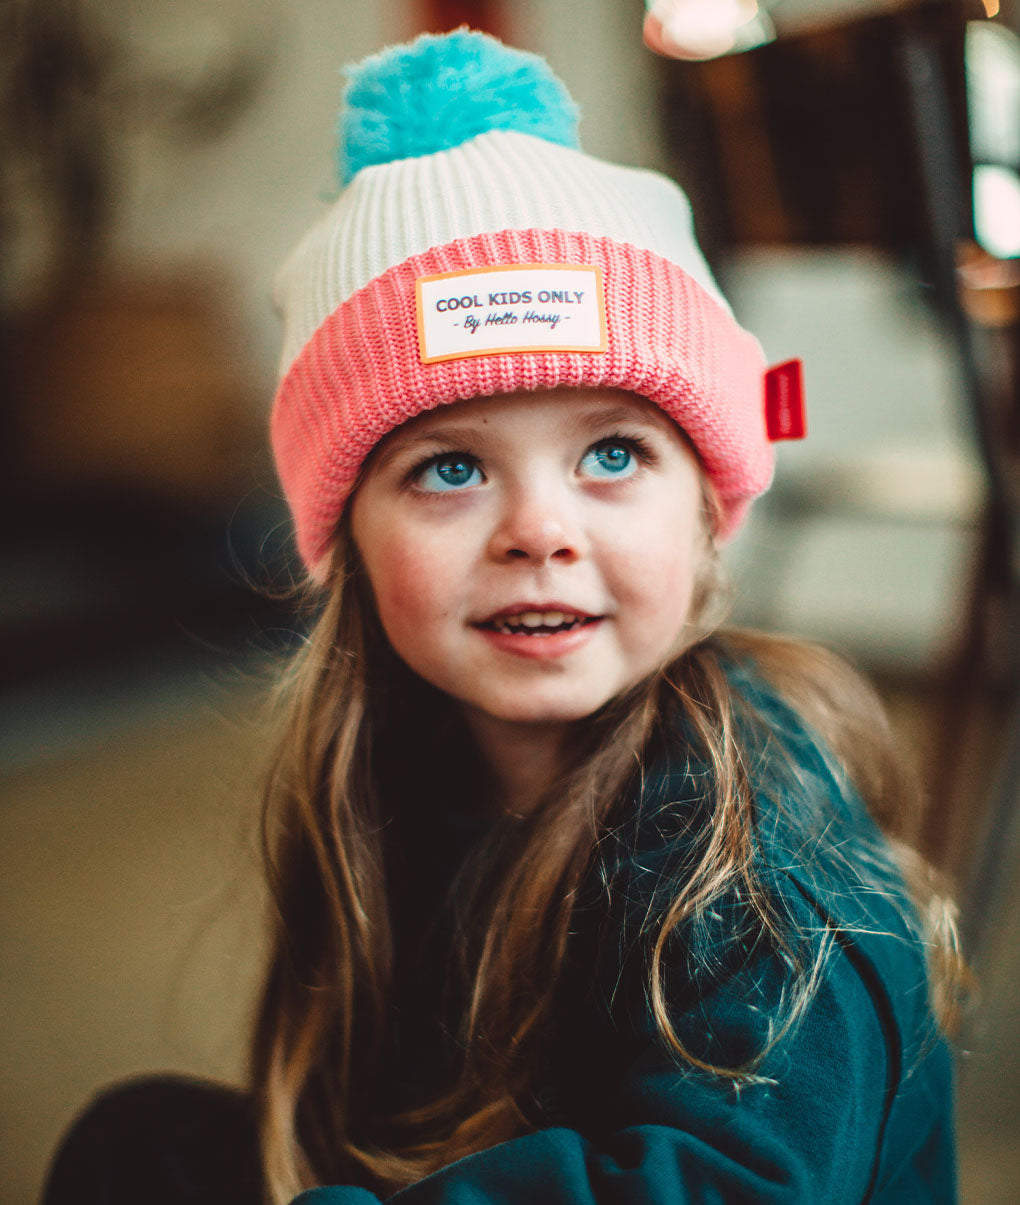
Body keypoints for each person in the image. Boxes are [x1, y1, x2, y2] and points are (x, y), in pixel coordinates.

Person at [43, 28, 964, 1205]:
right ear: (349, 543)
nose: (540, 530)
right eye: (449, 469)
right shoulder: (400, 762)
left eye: (614, 452)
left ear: (704, 513)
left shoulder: (756, 840)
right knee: (139, 1145)